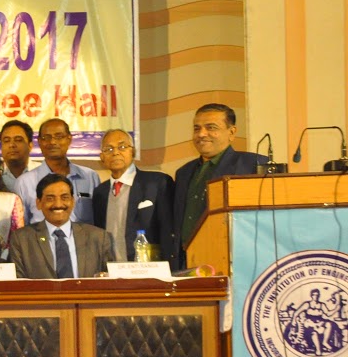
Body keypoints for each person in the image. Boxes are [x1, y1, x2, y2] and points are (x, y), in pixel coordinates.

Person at [170, 103, 267, 268]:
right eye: (196, 128)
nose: (201, 134)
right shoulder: (184, 173)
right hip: (188, 263)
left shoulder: (253, 165)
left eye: (211, 127)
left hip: (236, 262)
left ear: (232, 132)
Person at [9, 174, 115, 279]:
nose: (58, 204)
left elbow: (111, 280)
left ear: (72, 201)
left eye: (64, 198)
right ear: (39, 203)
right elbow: (17, 282)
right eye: (50, 199)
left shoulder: (99, 237)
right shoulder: (21, 239)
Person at [92, 128, 175, 262]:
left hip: (149, 269)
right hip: (112, 270)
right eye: (109, 149)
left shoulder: (157, 183)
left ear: (133, 152)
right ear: (102, 157)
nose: (116, 152)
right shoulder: (100, 193)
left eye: (122, 147)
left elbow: (169, 232)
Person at [14, 118, 101, 225]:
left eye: (59, 137)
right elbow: (22, 227)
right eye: (47, 137)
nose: (52, 142)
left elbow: (99, 220)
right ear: (39, 142)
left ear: (69, 139)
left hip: (84, 236)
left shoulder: (90, 177)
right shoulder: (24, 182)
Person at [0, 120, 34, 193]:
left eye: (18, 140)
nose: (11, 145)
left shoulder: (43, 173)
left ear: (30, 146)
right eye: (6, 141)